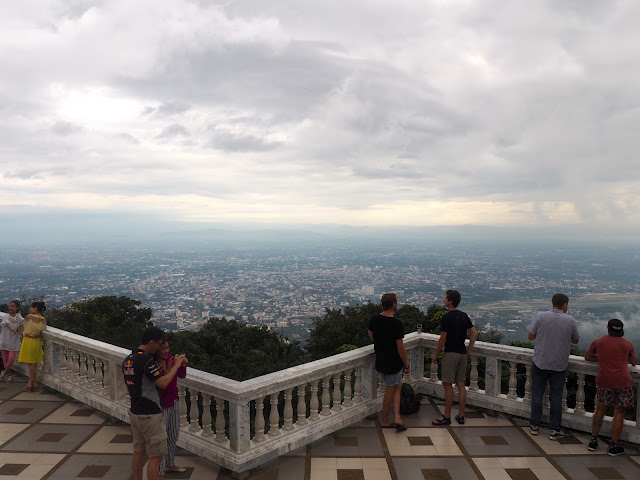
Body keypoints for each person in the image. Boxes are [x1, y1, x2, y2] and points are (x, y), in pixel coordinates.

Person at [122, 326, 186, 480]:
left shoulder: (128, 360)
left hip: (135, 411)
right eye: (158, 344)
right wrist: (176, 365)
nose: (159, 348)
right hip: (150, 413)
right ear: (151, 342)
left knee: (138, 451)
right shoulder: (147, 361)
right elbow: (163, 383)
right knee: (155, 456)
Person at [527, 293, 579, 439]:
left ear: (552, 303)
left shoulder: (540, 316)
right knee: (556, 396)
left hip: (540, 361)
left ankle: (534, 425)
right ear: (564, 305)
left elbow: (530, 336)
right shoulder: (570, 320)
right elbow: (575, 340)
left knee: (537, 393)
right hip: (559, 363)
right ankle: (554, 429)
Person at [584, 319, 637, 456]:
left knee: (600, 409)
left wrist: (601, 357)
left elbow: (588, 357)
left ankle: (593, 440)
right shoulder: (627, 344)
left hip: (605, 380)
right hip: (623, 381)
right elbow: (634, 361)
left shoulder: (598, 342)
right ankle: (613, 446)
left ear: (608, 328)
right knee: (619, 412)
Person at [431, 290, 477, 425]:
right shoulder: (464, 316)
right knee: (461, 384)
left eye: (445, 298)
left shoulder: (447, 317)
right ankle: (461, 415)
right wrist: (469, 350)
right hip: (462, 353)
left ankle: (446, 415)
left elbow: (442, 338)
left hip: (450, 353)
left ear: (450, 301)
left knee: (447, 384)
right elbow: (474, 333)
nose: (444, 300)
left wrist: (436, 354)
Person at [368, 292, 410, 431]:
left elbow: (371, 334)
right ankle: (385, 420)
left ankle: (397, 417)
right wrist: (406, 364)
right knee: (390, 390)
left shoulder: (375, 318)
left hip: (380, 360)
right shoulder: (396, 323)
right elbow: (401, 347)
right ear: (393, 304)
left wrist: (380, 342)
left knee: (397, 385)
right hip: (393, 362)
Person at [156, 341, 188, 475]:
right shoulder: (153, 365)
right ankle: (160, 470)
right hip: (161, 405)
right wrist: (171, 369)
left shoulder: (170, 359)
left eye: (167, 348)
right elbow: (162, 385)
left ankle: (170, 462)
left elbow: (181, 375)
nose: (165, 351)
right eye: (162, 349)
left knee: (173, 435)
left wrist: (183, 364)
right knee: (162, 438)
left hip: (173, 402)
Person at [17, 301, 47, 392]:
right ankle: (31, 383)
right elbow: (42, 329)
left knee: (31, 364)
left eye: (31, 307)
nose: (30, 309)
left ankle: (34, 383)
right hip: (37, 341)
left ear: (35, 308)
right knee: (34, 364)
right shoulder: (43, 319)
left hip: (28, 341)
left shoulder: (29, 317)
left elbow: (21, 329)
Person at [0, 300, 25, 382]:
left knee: (11, 359)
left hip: (13, 342)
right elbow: (9, 326)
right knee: (5, 359)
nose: (10, 308)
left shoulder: (19, 316)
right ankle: (9, 375)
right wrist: (14, 330)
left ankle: (3, 373)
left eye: (13, 306)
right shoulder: (6, 316)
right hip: (4, 340)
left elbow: (24, 322)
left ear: (17, 308)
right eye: (10, 306)